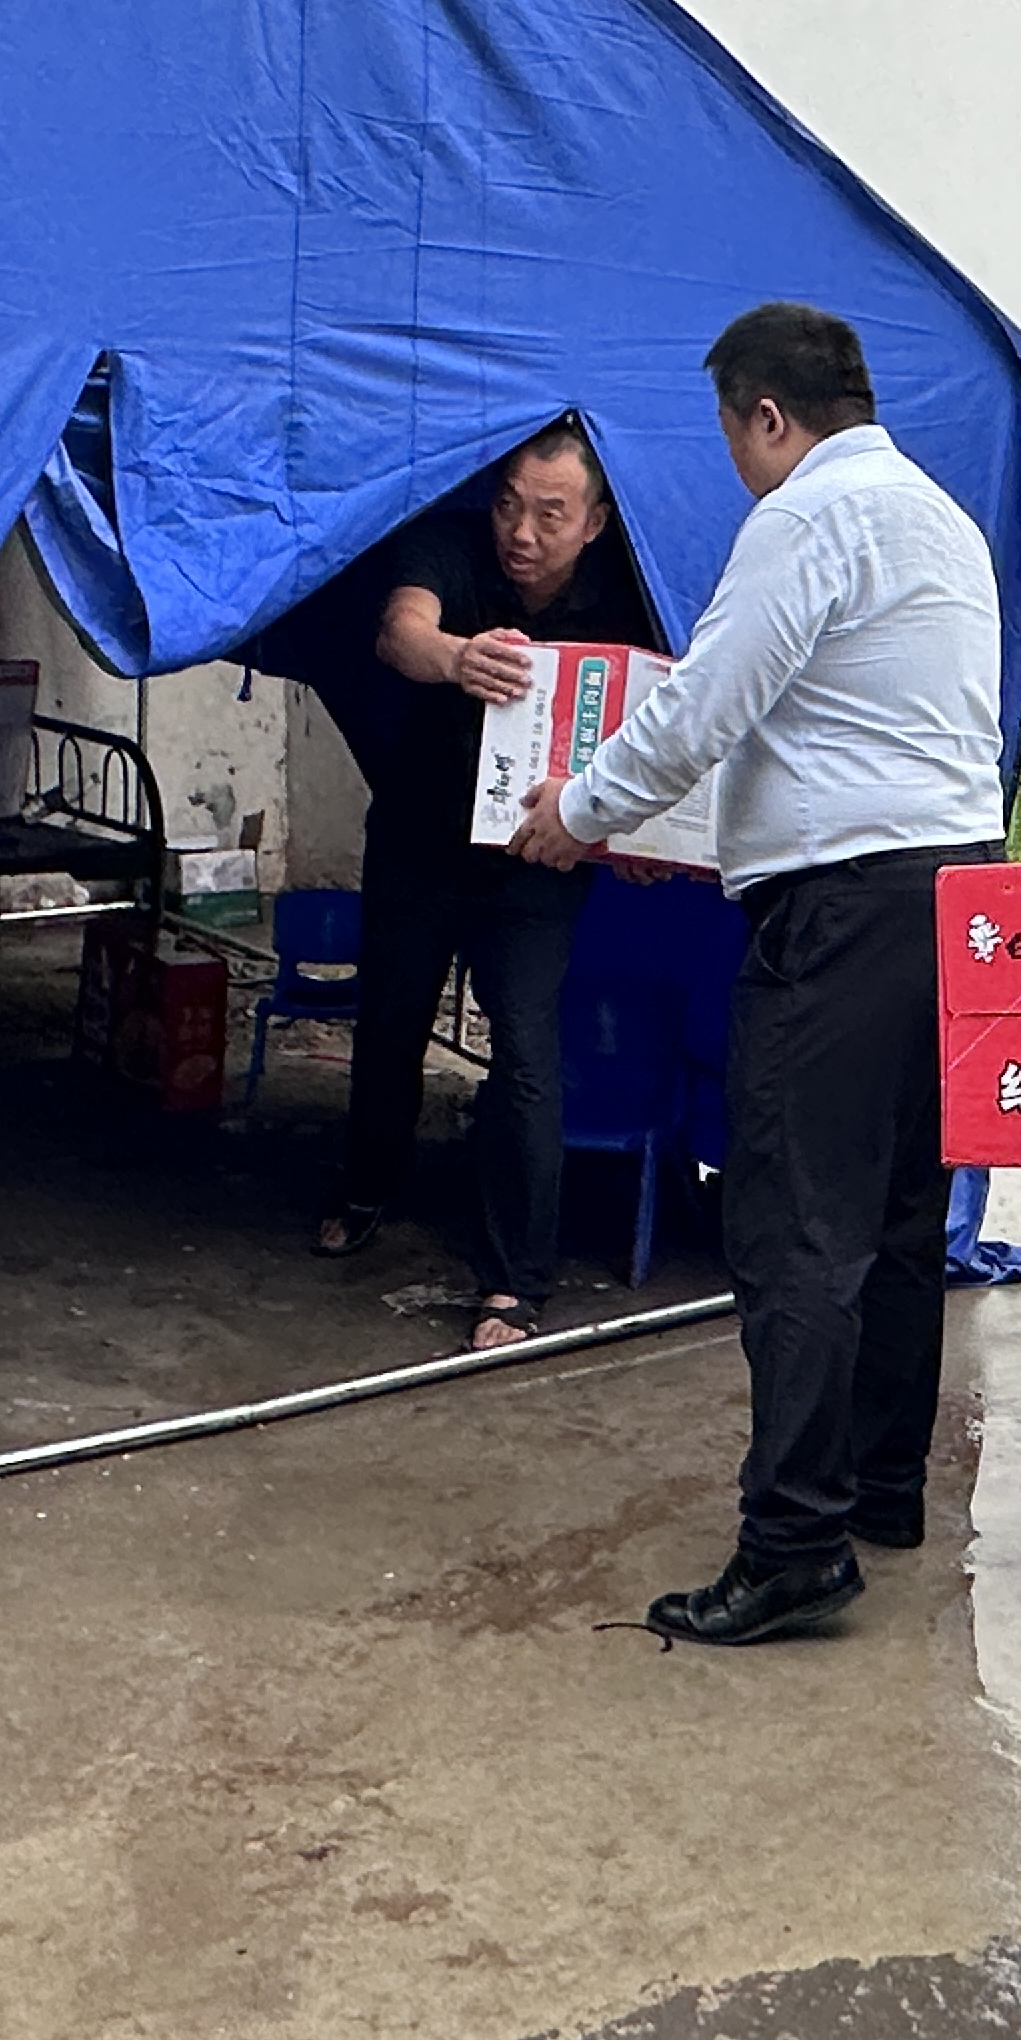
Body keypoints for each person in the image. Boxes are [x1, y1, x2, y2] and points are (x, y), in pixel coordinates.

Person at [511, 302, 1004, 1644]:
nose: (736, 461)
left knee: (796, 1226)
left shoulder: (809, 516)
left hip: (840, 917)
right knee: (899, 1214)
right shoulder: (940, 521)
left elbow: (702, 705)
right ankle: (880, 1490)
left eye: (733, 433)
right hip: (951, 898)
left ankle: (792, 1545)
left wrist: (580, 810)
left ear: (768, 416)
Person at [321, 417, 656, 1346]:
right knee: (390, 1025)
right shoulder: (454, 547)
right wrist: (457, 658)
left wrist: (638, 831)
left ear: (594, 523)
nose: (524, 532)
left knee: (527, 1056)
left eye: (551, 514)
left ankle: (516, 1280)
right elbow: (400, 631)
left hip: (536, 861)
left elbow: (665, 718)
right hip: (419, 840)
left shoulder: (625, 595)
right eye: (511, 505)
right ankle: (368, 1185)